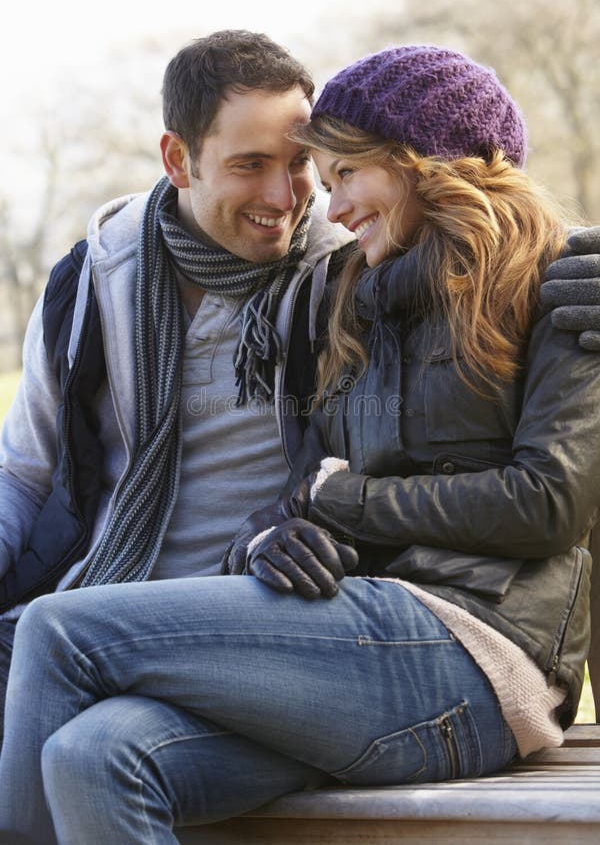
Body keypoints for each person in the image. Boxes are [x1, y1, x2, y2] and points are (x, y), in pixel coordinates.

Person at [1, 44, 600, 845]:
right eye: (261, 165)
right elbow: (300, 484)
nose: (317, 202)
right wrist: (272, 533)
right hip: (334, 644)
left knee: (57, 628)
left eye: (334, 171)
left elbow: (549, 503)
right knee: (93, 755)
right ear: (179, 160)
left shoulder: (547, 283)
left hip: (473, 645)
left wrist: (337, 502)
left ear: (421, 162)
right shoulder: (353, 300)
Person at [0, 29, 357, 739]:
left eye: (298, 164)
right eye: (249, 165)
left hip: (242, 614)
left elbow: (481, 260)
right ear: (178, 159)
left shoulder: (348, 276)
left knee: (72, 722)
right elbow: (24, 474)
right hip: (88, 595)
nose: (282, 196)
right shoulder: (95, 278)